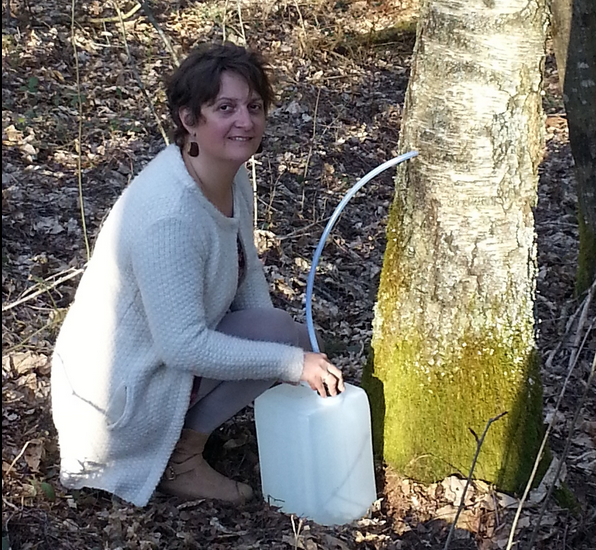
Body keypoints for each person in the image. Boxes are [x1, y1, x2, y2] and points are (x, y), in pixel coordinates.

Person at [50, 43, 344, 508]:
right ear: (189, 119)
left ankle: (190, 435)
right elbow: (182, 345)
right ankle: (176, 460)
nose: (244, 122)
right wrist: (288, 363)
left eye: (253, 106)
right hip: (115, 407)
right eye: (225, 108)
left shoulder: (230, 173)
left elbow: (245, 267)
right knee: (284, 346)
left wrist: (287, 352)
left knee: (283, 334)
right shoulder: (169, 214)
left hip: (154, 366)